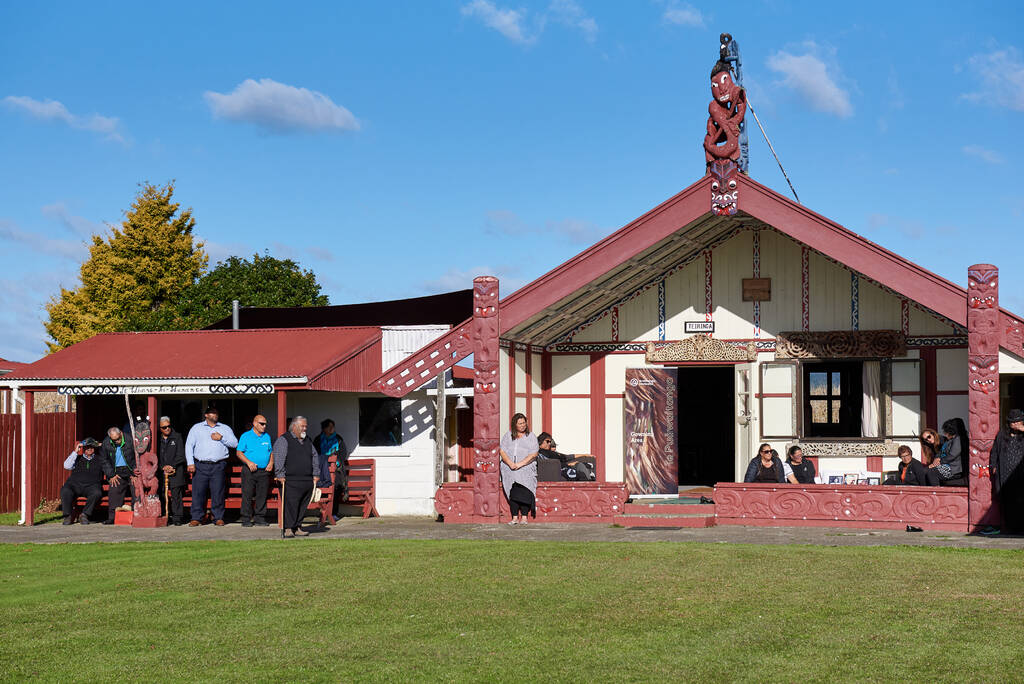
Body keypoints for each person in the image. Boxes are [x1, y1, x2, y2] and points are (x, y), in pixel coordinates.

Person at [185, 405, 238, 527]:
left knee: (218, 492)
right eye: (212, 412)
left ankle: (218, 517)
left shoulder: (224, 428)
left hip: (218, 465)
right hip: (200, 465)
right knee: (198, 492)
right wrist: (190, 463)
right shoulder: (196, 428)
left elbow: (235, 444)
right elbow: (189, 446)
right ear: (206, 415)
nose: (215, 414)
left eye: (216, 412)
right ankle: (196, 517)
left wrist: (222, 438)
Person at [273, 416, 320, 537]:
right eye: (302, 426)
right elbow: (279, 458)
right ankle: (288, 528)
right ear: (294, 427)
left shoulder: (308, 440)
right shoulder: (284, 440)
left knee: (303, 505)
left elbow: (314, 456)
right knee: (290, 505)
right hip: (290, 480)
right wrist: (279, 474)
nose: (305, 429)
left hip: (307, 479)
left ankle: (298, 526)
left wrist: (316, 473)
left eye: (305, 426)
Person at [500, 413, 539, 524]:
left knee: (525, 492)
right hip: (509, 468)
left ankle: (525, 517)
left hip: (525, 468)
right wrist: (510, 464)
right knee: (513, 493)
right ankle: (514, 517)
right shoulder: (508, 436)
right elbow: (502, 451)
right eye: (520, 423)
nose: (523, 425)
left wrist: (520, 464)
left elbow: (534, 454)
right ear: (515, 425)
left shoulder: (531, 436)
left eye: (524, 423)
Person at [990, 408, 1024, 534]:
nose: (1014, 424)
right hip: (1004, 472)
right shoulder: (1002, 434)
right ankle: (1009, 527)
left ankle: (1021, 528)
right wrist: (993, 465)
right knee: (1007, 500)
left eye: (1017, 422)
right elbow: (994, 451)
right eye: (1012, 422)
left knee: (1020, 499)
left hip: (1020, 473)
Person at [237, 414, 274, 527]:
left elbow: (270, 452)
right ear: (255, 423)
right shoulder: (246, 436)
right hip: (250, 470)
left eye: (265, 424)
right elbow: (239, 452)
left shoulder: (267, 436)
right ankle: (246, 519)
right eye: (262, 424)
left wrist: (271, 462)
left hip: (263, 471)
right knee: (247, 495)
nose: (264, 426)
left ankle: (260, 518)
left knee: (262, 495)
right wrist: (248, 462)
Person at [59, 437, 105, 524]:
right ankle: (67, 516)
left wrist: (101, 445)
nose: (89, 449)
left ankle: (84, 515)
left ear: (94, 448)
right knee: (65, 490)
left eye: (91, 447)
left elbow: (109, 460)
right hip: (75, 485)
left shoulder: (100, 459)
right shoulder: (76, 458)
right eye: (87, 447)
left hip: (91, 485)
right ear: (83, 448)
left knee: (97, 493)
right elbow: (67, 466)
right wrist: (76, 451)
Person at [100, 427, 136, 524]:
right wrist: (111, 475)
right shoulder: (106, 443)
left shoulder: (130, 440)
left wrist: (135, 473)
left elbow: (138, 456)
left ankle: (136, 515)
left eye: (118, 439)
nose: (117, 441)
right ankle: (113, 517)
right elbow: (104, 460)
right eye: (114, 440)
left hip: (130, 470)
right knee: (114, 490)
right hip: (117, 472)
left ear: (121, 433)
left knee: (136, 489)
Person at [157, 416, 187, 525]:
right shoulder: (157, 439)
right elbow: (155, 455)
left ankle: (177, 517)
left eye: (169, 426)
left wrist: (171, 466)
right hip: (161, 471)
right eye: (164, 427)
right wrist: (162, 467)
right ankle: (165, 515)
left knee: (176, 495)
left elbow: (181, 455)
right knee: (161, 493)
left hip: (176, 470)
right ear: (160, 428)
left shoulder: (177, 437)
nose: (167, 429)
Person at [313, 419, 348, 494]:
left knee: (336, 482)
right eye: (329, 426)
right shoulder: (318, 440)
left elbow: (343, 453)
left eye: (333, 426)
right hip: (321, 467)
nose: (331, 428)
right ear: (324, 428)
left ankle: (335, 497)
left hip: (336, 467)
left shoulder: (338, 439)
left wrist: (334, 459)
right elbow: (314, 454)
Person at [930, 418, 968, 483]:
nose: (945, 433)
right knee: (926, 471)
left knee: (931, 472)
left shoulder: (958, 439)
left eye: (946, 431)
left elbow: (953, 455)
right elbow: (941, 451)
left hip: (954, 469)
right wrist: (937, 458)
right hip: (946, 465)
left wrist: (939, 462)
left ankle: (935, 491)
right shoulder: (949, 440)